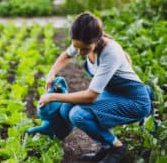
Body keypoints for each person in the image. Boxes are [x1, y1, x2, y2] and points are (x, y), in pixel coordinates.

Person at [38, 12, 152, 162]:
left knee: (78, 115)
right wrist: (51, 73)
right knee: (66, 109)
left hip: (134, 101)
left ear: (97, 40)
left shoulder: (110, 52)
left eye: (84, 49)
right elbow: (66, 55)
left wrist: (52, 96)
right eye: (76, 47)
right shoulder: (83, 42)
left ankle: (116, 148)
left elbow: (91, 96)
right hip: (113, 94)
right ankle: (106, 145)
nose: (79, 52)